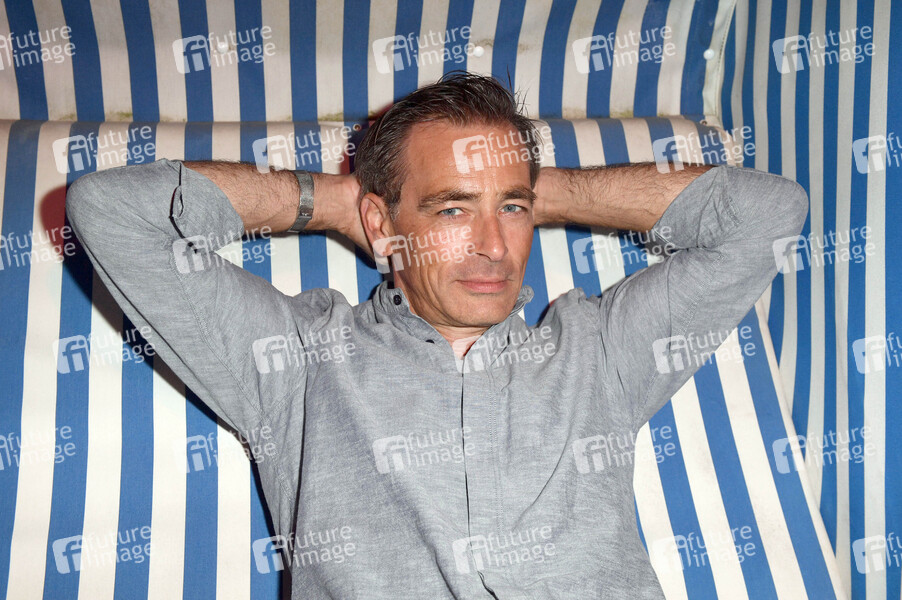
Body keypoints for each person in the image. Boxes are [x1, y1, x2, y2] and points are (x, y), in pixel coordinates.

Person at [65, 71, 808, 599]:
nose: (493, 246)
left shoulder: (600, 352)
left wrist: (532, 189)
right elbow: (114, 213)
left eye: (511, 211)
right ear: (383, 221)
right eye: (452, 210)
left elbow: (768, 215)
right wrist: (340, 204)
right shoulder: (299, 361)